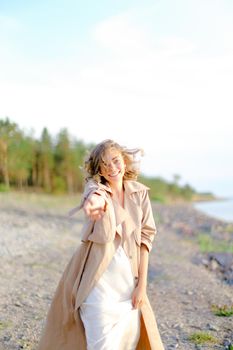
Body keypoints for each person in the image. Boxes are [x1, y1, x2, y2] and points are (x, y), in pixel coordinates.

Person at [37, 139, 164, 350]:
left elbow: (145, 241)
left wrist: (142, 286)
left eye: (115, 161)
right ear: (99, 170)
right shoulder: (96, 188)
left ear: (124, 160)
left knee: (128, 339)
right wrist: (92, 204)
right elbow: (95, 196)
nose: (112, 168)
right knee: (100, 339)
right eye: (104, 165)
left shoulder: (140, 193)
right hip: (97, 279)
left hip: (127, 281)